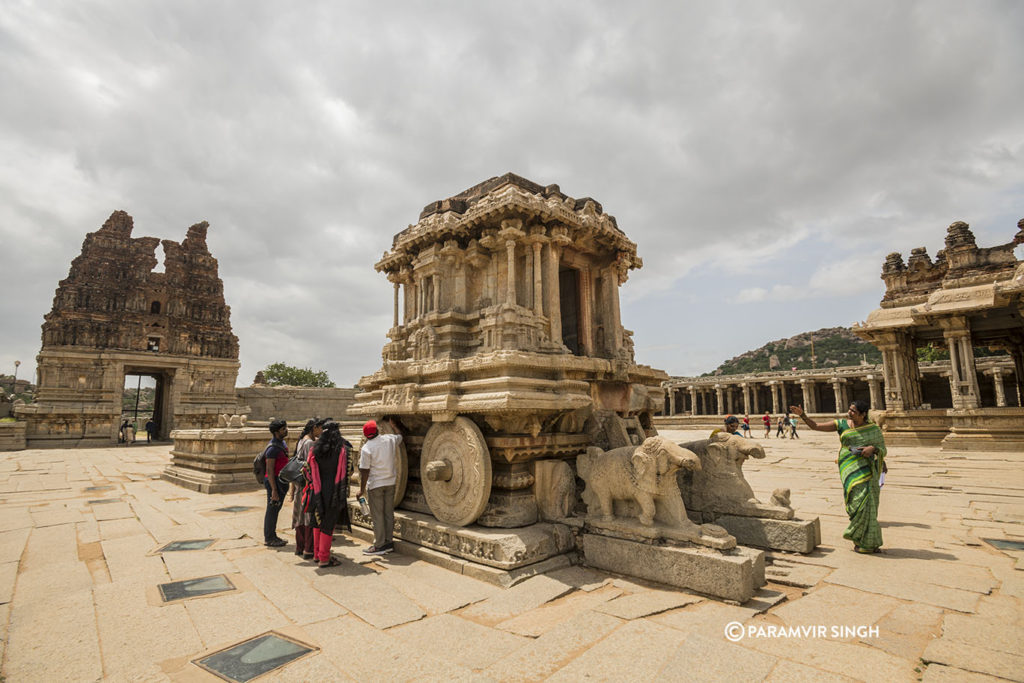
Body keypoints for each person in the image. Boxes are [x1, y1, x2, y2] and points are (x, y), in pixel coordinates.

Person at [790, 400, 886, 553]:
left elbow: (882, 448)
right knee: (855, 503)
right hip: (849, 468)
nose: (849, 412)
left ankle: (868, 542)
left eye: (853, 411)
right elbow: (815, 426)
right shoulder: (841, 424)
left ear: (862, 414)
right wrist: (803, 416)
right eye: (850, 409)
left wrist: (872, 448)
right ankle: (859, 538)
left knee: (868, 504)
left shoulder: (873, 429)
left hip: (867, 469)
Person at [307, 421, 352, 568]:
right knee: (328, 524)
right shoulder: (342, 450)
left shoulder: (315, 450)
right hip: (333, 491)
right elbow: (349, 471)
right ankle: (324, 558)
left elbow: (308, 469)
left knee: (317, 521)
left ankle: (317, 554)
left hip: (317, 490)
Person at [358, 417, 403, 556]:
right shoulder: (389, 439)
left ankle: (379, 545)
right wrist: (394, 426)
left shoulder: (366, 449)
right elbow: (400, 436)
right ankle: (388, 542)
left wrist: (361, 489)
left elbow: (364, 470)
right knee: (388, 513)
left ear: (366, 435)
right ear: (377, 430)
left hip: (376, 484)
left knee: (377, 515)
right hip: (390, 482)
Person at [290, 418, 320, 559]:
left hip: (299, 485)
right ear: (314, 428)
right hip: (307, 485)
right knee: (307, 517)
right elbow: (311, 465)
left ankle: (299, 547)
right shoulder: (309, 443)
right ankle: (308, 549)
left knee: (299, 516)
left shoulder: (302, 440)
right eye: (320, 428)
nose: (321, 431)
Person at [263, 419, 289, 548]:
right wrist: (274, 490)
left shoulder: (281, 443)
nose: (286, 430)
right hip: (274, 482)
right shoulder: (272, 448)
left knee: (276, 509)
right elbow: (269, 470)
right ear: (276, 432)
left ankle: (273, 535)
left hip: (281, 481)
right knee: (272, 510)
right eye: (283, 429)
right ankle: (269, 538)